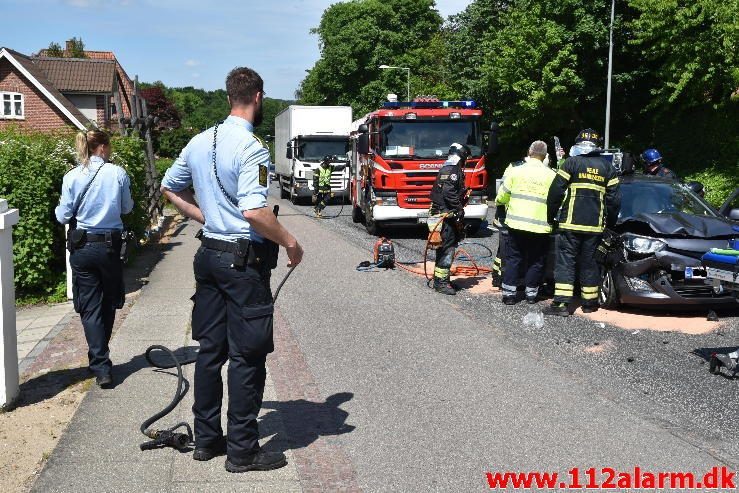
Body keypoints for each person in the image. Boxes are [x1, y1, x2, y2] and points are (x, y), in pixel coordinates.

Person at [160, 67, 304, 473]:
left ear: (229, 97)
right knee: (247, 356)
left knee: (210, 351)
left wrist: (206, 217)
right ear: (257, 97)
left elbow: (169, 187)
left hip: (209, 257)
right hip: (242, 263)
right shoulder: (253, 148)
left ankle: (207, 440)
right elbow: (255, 212)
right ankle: (242, 451)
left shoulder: (199, 141)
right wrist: (290, 242)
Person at [55, 130, 133, 388]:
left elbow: (63, 216)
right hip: (110, 247)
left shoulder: (71, 177)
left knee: (89, 306)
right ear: (101, 147)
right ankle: (100, 360)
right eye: (108, 147)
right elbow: (126, 208)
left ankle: (100, 364)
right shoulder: (118, 173)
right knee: (109, 301)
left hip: (83, 248)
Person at [545, 128, 621, 316]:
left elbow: (555, 193)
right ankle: (589, 303)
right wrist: (610, 225)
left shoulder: (571, 163)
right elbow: (614, 201)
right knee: (590, 263)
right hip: (595, 227)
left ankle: (561, 305)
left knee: (566, 263)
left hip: (570, 224)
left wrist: (550, 216)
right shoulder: (607, 168)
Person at [495, 141, 556, 305]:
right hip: (540, 226)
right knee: (536, 260)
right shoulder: (551, 175)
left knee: (514, 258)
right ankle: (531, 295)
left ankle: (509, 295)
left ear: (529, 152)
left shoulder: (516, 171)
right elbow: (557, 200)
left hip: (516, 224)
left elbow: (502, 196)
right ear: (545, 156)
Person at [429, 143, 470, 295]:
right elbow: (448, 192)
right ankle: (441, 283)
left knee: (444, 248)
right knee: (447, 249)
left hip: (444, 215)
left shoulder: (450, 167)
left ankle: (441, 280)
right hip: (445, 217)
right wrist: (458, 209)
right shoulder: (452, 169)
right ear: (462, 155)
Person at [491, 159, 524, 288]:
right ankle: (501, 277)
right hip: (509, 215)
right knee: (507, 249)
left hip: (508, 214)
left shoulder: (514, 166)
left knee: (503, 248)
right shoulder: (515, 167)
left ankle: (497, 275)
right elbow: (502, 191)